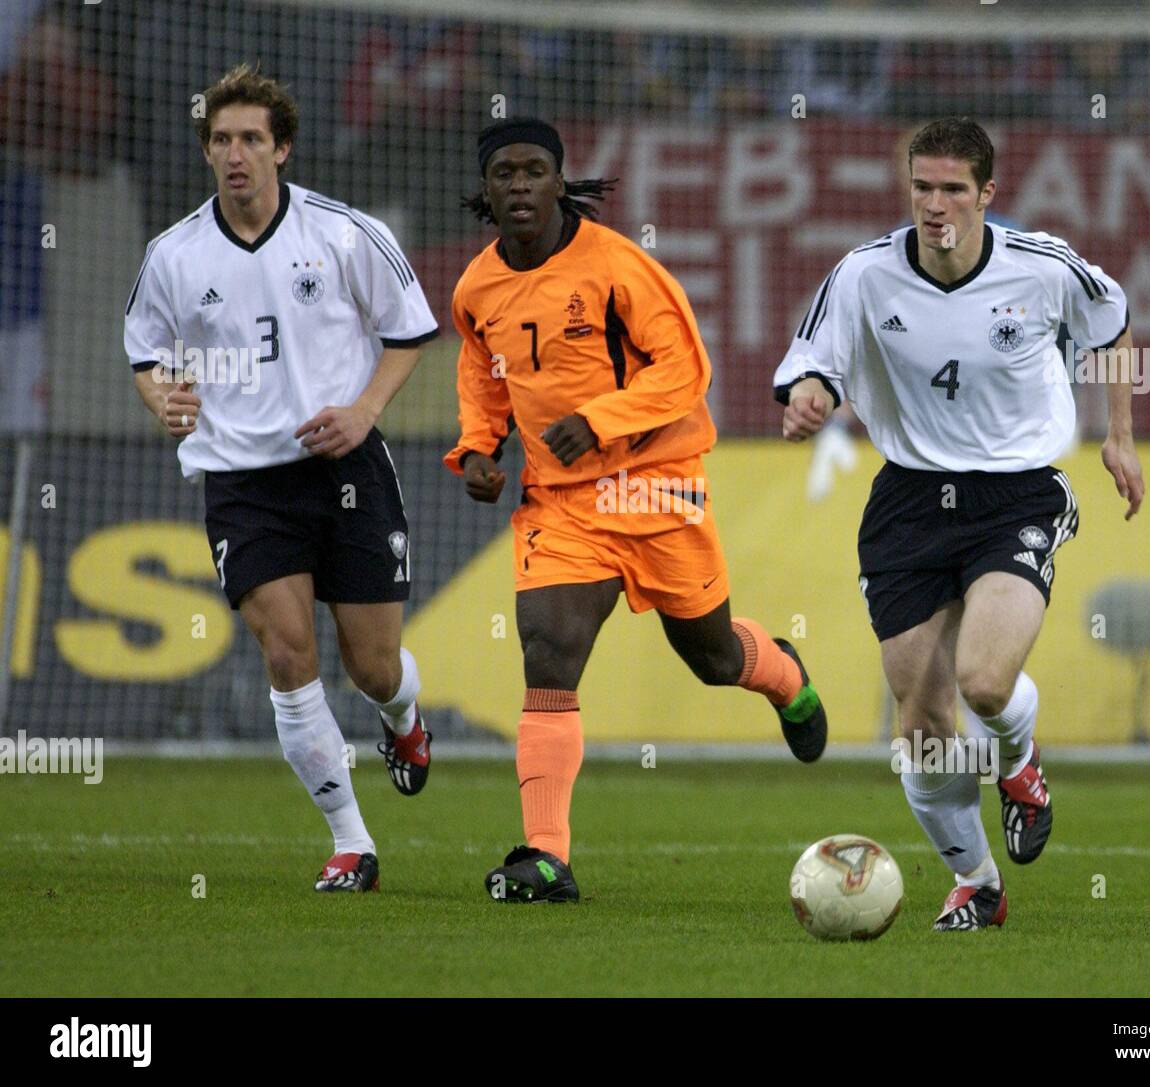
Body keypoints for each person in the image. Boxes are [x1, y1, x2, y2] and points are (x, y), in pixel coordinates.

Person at [775, 117, 1144, 930]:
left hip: (1016, 495)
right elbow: (812, 358)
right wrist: (811, 395)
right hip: (908, 501)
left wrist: (1119, 434)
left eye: (951, 189)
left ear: (987, 193)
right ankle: (978, 883)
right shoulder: (864, 273)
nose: (934, 205)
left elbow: (1111, 320)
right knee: (925, 727)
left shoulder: (1041, 266)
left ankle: (1020, 764)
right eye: (922, 188)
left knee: (984, 680)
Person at [446, 117, 828, 903]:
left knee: (714, 658)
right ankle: (545, 856)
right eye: (504, 174)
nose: (519, 186)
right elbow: (486, 371)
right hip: (562, 500)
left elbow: (687, 368)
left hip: (656, 483)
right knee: (548, 647)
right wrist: (479, 448)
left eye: (534, 171)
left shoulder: (619, 267)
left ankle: (783, 674)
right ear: (487, 191)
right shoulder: (476, 288)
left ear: (560, 182)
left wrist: (600, 419)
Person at [124, 64, 439, 893]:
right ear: (207, 151)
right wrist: (165, 397)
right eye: (222, 140)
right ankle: (351, 840)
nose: (236, 155)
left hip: (344, 467)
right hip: (242, 482)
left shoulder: (343, 234)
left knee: (373, 666)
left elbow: (409, 331)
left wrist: (365, 410)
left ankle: (403, 719)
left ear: (283, 148)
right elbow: (146, 353)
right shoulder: (174, 255)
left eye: (252, 139)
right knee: (288, 651)